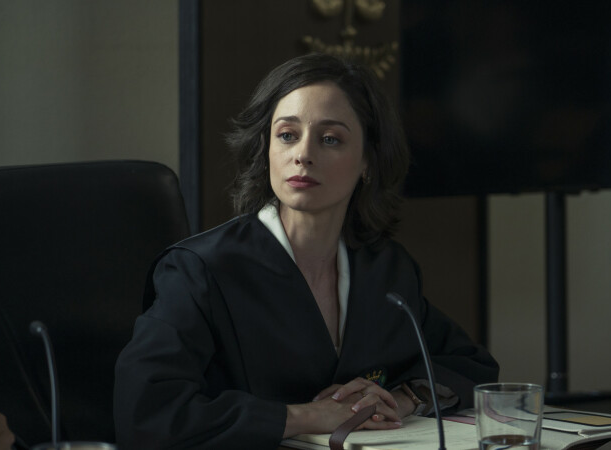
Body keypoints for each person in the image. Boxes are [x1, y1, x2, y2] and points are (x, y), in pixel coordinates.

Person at [113, 53, 499, 449]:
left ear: (368, 160)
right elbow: (145, 413)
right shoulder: (199, 271)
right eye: (287, 135)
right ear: (265, 149)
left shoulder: (386, 268)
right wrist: (304, 416)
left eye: (330, 139)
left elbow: (472, 365)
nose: (303, 154)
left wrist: (402, 399)